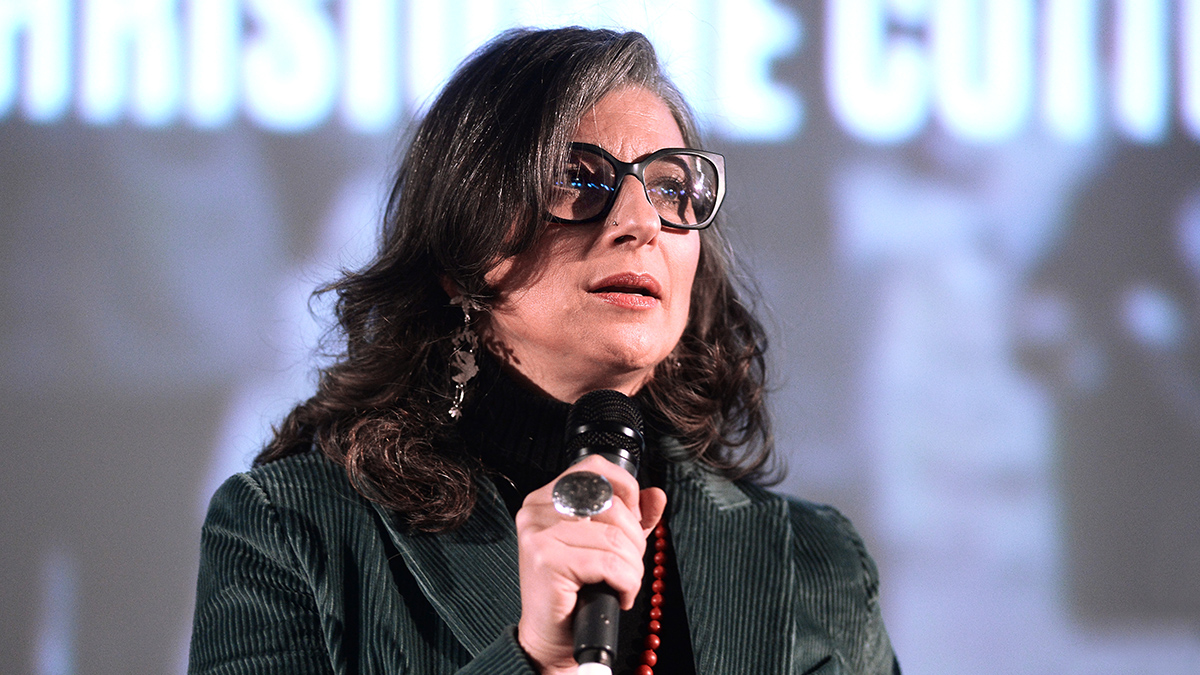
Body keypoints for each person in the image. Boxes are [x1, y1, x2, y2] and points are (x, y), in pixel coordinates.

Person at [189, 27, 899, 675]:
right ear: (463, 256)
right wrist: (533, 660)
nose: (641, 223)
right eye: (579, 180)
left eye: (670, 187)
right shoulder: (292, 530)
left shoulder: (816, 564)